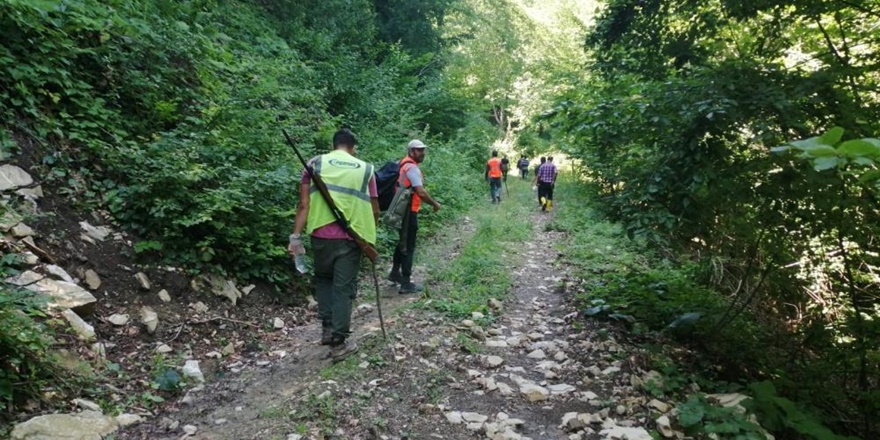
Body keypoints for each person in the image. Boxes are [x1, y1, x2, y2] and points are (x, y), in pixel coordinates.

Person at [289, 128, 379, 361]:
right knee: (343, 288)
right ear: (353, 147)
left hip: (320, 234)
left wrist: (295, 237)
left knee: (324, 281)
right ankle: (339, 343)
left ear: (334, 145)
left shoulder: (315, 163)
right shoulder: (366, 168)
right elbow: (374, 208)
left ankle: (328, 329)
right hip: (351, 238)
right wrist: (368, 238)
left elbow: (303, 204)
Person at [388, 139, 442, 294]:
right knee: (408, 246)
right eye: (419, 150)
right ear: (411, 151)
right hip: (408, 212)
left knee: (402, 242)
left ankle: (394, 273)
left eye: (423, 149)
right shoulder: (411, 168)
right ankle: (406, 282)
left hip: (402, 209)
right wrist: (435, 204)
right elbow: (421, 192)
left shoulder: (402, 164)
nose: (422, 152)